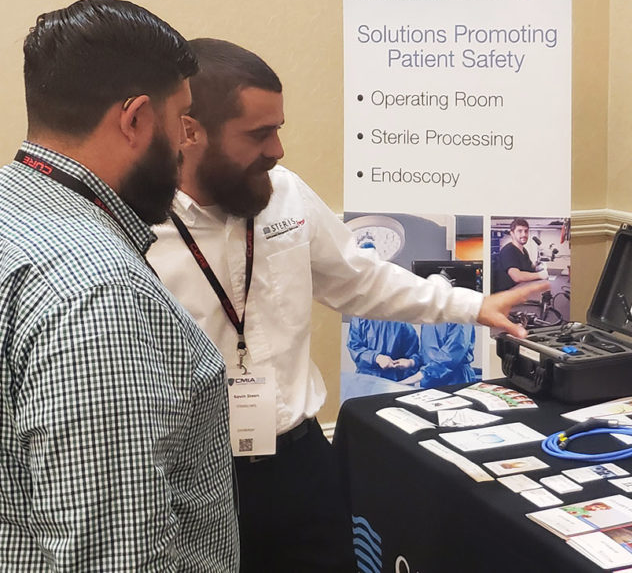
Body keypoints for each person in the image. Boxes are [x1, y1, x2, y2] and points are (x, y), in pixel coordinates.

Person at [146, 38, 545, 572]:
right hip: (196, 477)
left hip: (300, 461)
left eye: (279, 128)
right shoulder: (137, 228)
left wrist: (472, 305)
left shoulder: (285, 194)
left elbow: (361, 280)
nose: (278, 149)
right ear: (189, 131)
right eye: (259, 134)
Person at [0, 0, 237, 569]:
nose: (185, 143)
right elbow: (112, 556)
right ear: (134, 120)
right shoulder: (99, 292)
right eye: (182, 120)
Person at [347, 316, 421, 381]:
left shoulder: (403, 324)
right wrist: (376, 358)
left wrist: (410, 362)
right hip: (365, 380)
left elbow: (415, 354)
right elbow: (354, 347)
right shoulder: (360, 318)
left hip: (394, 382)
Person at [493, 217, 547, 292]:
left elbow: (528, 268)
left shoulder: (524, 250)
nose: (524, 234)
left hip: (521, 290)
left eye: (526, 231)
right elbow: (517, 277)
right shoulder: (508, 251)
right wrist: (540, 275)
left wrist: (536, 266)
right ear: (512, 233)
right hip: (507, 295)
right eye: (520, 231)